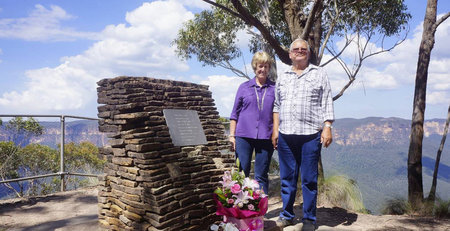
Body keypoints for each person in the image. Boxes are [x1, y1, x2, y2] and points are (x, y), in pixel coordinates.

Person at [272, 38, 334, 231]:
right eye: (295, 49)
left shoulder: (320, 73)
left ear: (308, 53)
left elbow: (327, 101)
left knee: (308, 179)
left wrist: (327, 126)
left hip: (310, 135)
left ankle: (309, 219)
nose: (299, 51)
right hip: (285, 134)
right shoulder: (283, 76)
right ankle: (287, 215)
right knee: (287, 178)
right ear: (290, 54)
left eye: (303, 49)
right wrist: (275, 130)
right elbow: (276, 105)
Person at [229, 51, 276, 195]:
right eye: (260, 66)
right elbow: (234, 113)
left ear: (269, 68)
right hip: (243, 136)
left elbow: (277, 113)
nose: (263, 69)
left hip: (266, 137)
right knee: (242, 173)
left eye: (266, 66)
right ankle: (240, 210)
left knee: (261, 175)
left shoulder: (275, 88)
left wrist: (276, 133)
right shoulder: (244, 87)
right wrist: (232, 135)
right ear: (255, 67)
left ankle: (260, 212)